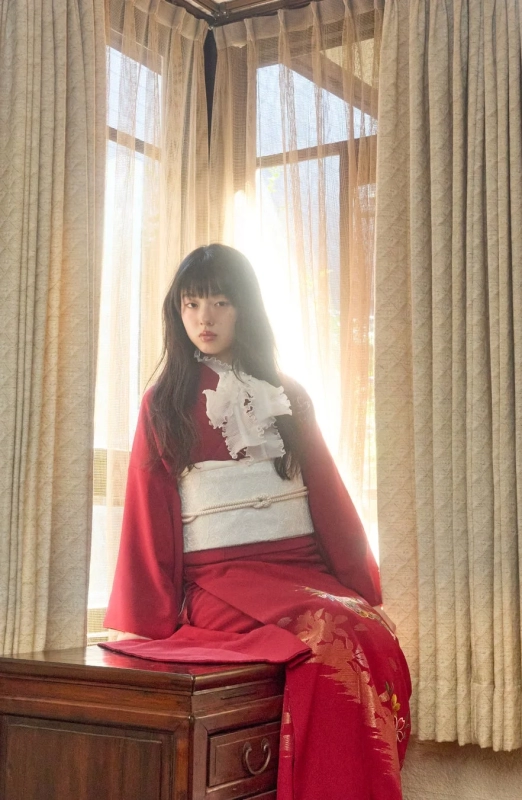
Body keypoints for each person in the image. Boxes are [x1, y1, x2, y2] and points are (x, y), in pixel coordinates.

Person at [103, 244, 411, 800]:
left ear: (245, 308)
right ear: (177, 311)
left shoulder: (289, 394)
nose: (205, 318)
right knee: (330, 639)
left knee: (367, 626)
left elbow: (328, 499)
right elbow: (149, 514)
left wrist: (359, 582)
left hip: (302, 570)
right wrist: (148, 616)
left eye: (221, 302)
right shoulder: (163, 404)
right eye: (192, 304)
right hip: (221, 578)